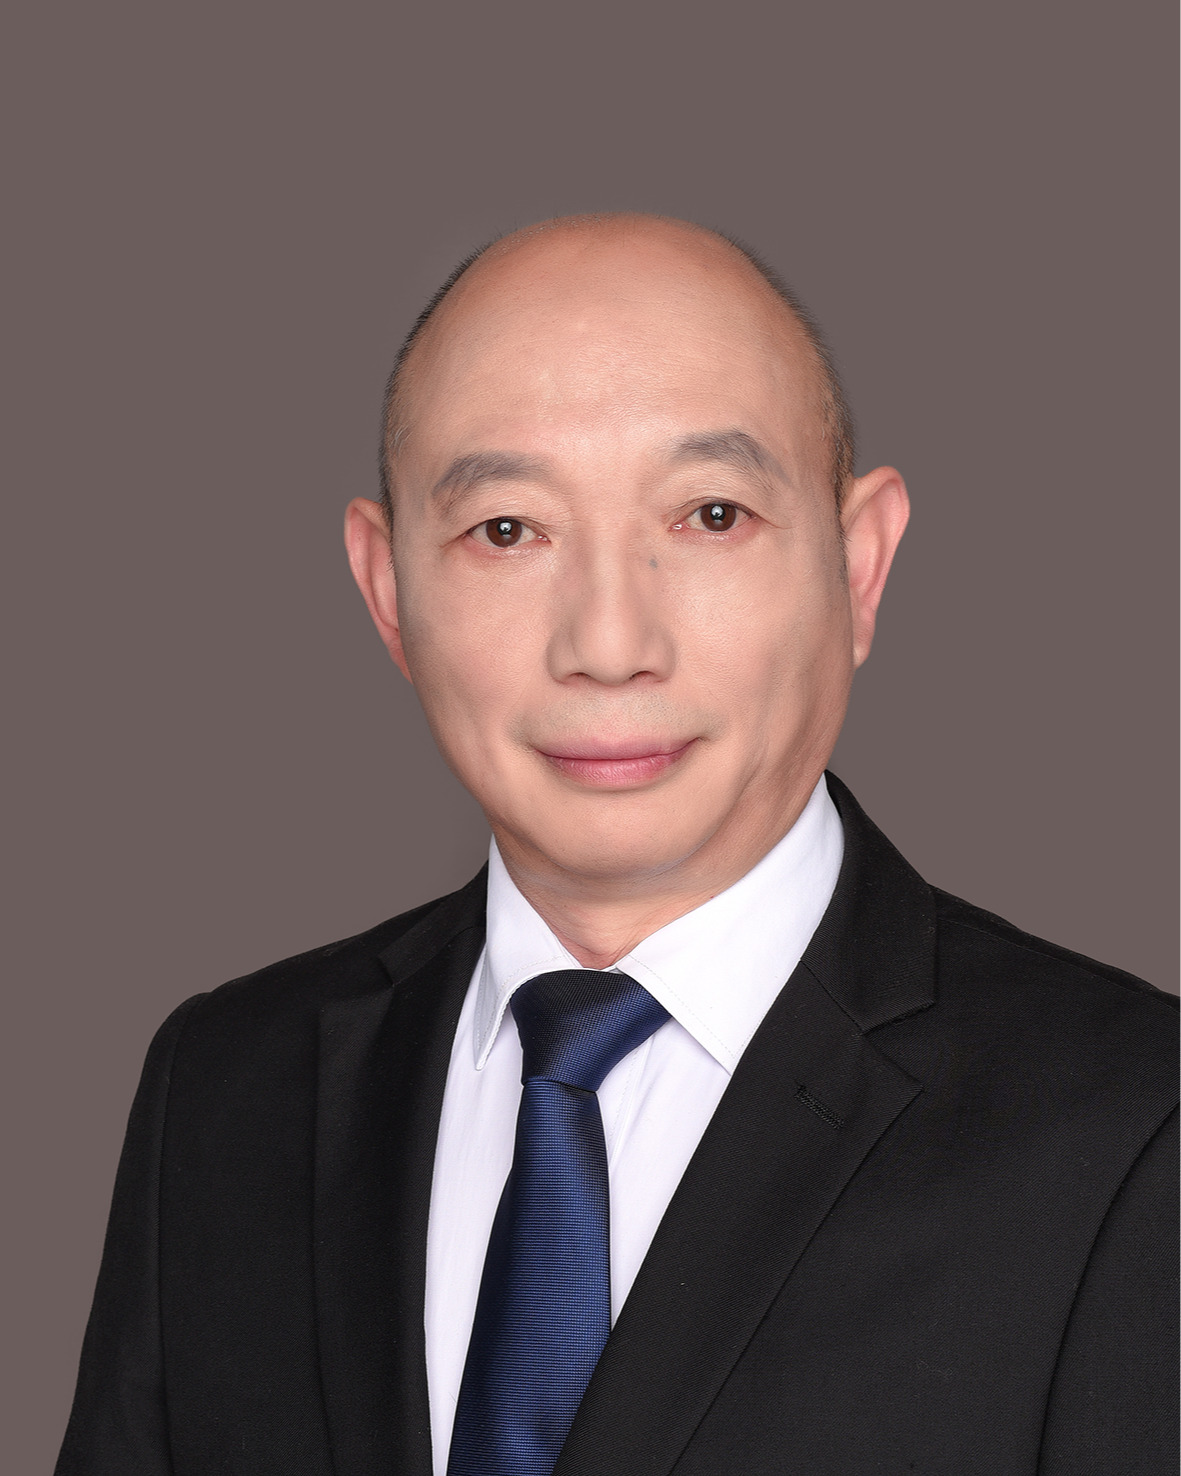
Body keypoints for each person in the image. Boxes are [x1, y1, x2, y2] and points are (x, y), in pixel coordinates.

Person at [56, 213, 1177, 1476]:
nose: (606, 642)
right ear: (386, 589)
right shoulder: (224, 1090)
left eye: (711, 514)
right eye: (506, 531)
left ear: (858, 566)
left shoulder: (1135, 1129)